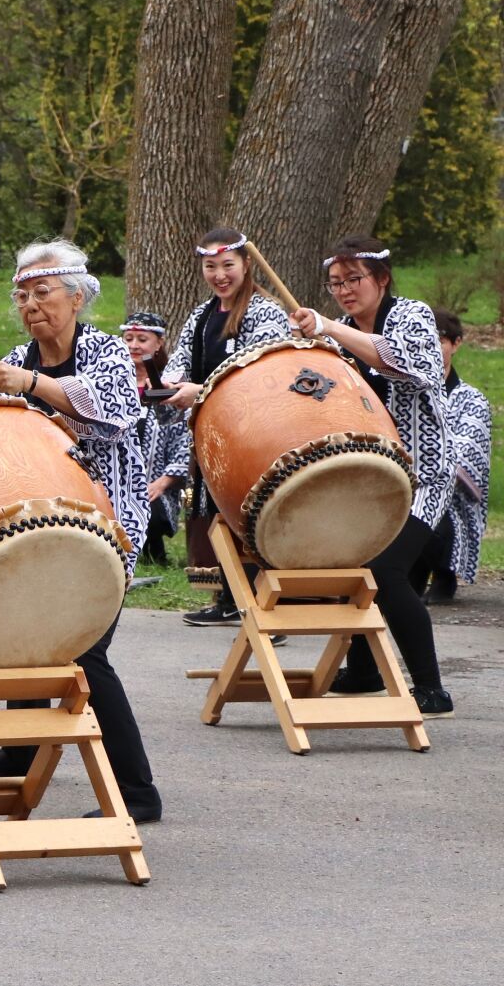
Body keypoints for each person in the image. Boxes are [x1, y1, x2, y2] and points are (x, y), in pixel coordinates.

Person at [0, 238, 161, 823]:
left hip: (106, 526)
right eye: (22, 294)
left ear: (77, 298)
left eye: (43, 292)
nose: (30, 304)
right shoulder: (12, 358)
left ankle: (136, 794)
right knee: (29, 636)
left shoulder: (106, 353)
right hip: (34, 524)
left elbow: (110, 412)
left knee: (82, 653)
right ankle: (19, 753)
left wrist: (29, 387)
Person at [290, 238, 456, 717]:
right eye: (336, 283)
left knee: (384, 571)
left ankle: (431, 687)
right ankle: (364, 671)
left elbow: (410, 365)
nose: (344, 290)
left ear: (381, 279)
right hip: (371, 477)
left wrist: (332, 333)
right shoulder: (339, 330)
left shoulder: (412, 315)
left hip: (423, 476)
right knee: (361, 567)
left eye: (354, 279)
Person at [162, 229, 291, 624]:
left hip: (254, 434)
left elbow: (258, 375)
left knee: (251, 515)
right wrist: (169, 383)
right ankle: (230, 598)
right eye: (210, 267)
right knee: (219, 515)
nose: (220, 275)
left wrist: (198, 392)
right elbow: (180, 358)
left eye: (228, 266)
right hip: (212, 433)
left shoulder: (266, 311)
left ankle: (264, 604)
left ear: (246, 265)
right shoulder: (202, 315)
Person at [411, 311, 492, 604]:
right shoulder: (409, 391)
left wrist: (421, 465)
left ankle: (443, 573)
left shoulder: (472, 400)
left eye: (441, 339)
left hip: (450, 495)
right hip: (403, 482)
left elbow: (467, 452)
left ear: (456, 344)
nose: (433, 346)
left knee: (429, 500)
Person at [121, 311, 186, 565]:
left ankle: (151, 552)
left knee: (150, 507)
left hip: (156, 484)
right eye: (129, 338)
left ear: (158, 344)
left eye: (142, 339)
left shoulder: (171, 386)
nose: (134, 345)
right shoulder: (112, 384)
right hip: (115, 479)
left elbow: (184, 442)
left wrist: (161, 483)